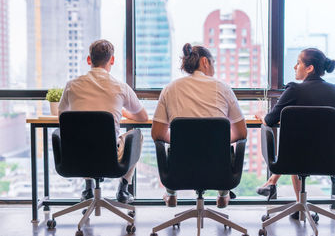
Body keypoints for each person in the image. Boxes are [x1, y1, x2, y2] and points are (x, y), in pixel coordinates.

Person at [255, 48, 335, 219]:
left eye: (298, 63)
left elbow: (270, 120)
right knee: (299, 145)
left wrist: (260, 116)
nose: (295, 67)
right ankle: (297, 204)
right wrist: (329, 125)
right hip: (329, 160)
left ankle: (278, 186)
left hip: (291, 159)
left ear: (309, 68)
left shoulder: (294, 90)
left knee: (296, 148)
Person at [151, 43, 247, 208]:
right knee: (224, 151)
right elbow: (241, 132)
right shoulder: (223, 88)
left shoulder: (170, 88)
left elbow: (157, 133)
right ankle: (223, 195)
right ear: (205, 62)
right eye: (213, 63)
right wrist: (218, 140)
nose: (214, 68)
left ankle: (171, 193)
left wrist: (181, 140)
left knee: (172, 151)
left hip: (179, 171)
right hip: (219, 171)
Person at [58, 39, 148, 204]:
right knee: (138, 136)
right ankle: (123, 187)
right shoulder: (120, 87)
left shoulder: (71, 85)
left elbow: (62, 116)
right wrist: (122, 112)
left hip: (77, 156)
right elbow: (143, 117)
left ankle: (88, 186)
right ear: (112, 60)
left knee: (82, 138)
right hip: (110, 157)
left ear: (89, 60)